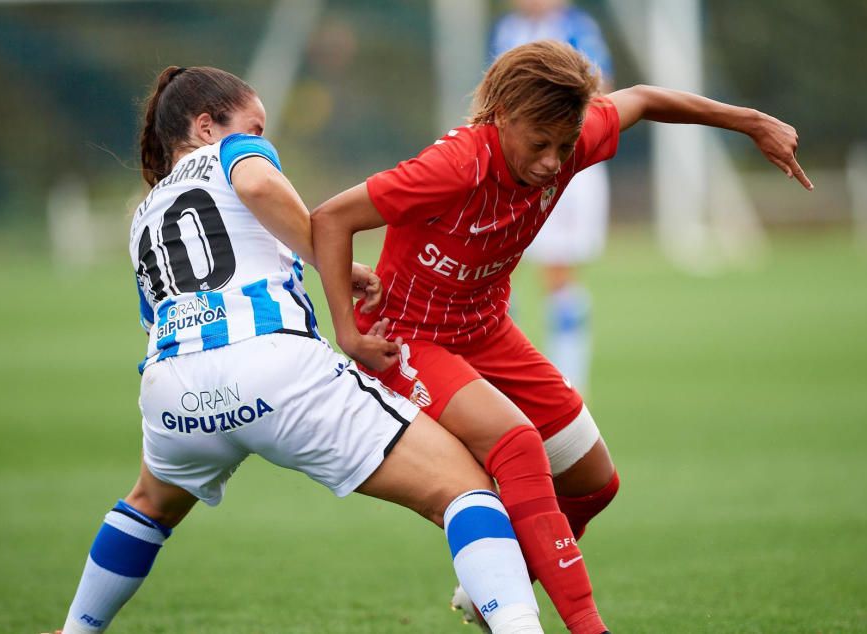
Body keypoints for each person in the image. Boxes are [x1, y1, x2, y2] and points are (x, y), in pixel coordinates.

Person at [311, 40, 812, 634]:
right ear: (502, 117)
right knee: (518, 444)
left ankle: (497, 583)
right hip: (410, 337)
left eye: (565, 145)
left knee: (595, 482)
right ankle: (586, 626)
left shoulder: (568, 139)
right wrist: (349, 332)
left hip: (486, 328)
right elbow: (330, 219)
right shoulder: (455, 166)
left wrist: (751, 122)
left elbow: (645, 99)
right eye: (539, 144)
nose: (553, 161)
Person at [52, 66, 546, 634]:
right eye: (255, 126)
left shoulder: (143, 215)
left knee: (148, 503)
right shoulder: (233, 153)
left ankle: (76, 630)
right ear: (207, 127)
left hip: (172, 387)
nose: (262, 138)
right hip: (272, 366)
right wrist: (328, 259)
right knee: (465, 487)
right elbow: (259, 185)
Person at [490, 0, 615, 394]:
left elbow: (601, 91)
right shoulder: (506, 31)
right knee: (495, 271)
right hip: (512, 168)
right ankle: (505, 373)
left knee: (558, 272)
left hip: (566, 168)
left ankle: (567, 383)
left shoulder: (576, 29)